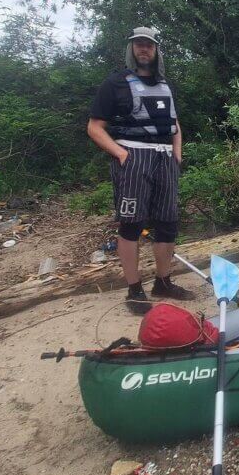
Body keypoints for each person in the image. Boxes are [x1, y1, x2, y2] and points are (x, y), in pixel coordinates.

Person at [87, 26, 194, 314]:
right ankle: (134, 290)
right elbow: (95, 127)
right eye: (139, 45)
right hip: (134, 158)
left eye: (149, 45)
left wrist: (177, 155)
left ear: (156, 49)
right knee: (131, 225)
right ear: (132, 49)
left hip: (164, 160)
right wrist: (122, 153)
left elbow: (175, 123)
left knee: (167, 224)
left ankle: (163, 282)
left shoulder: (165, 84)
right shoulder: (115, 83)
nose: (144, 49)